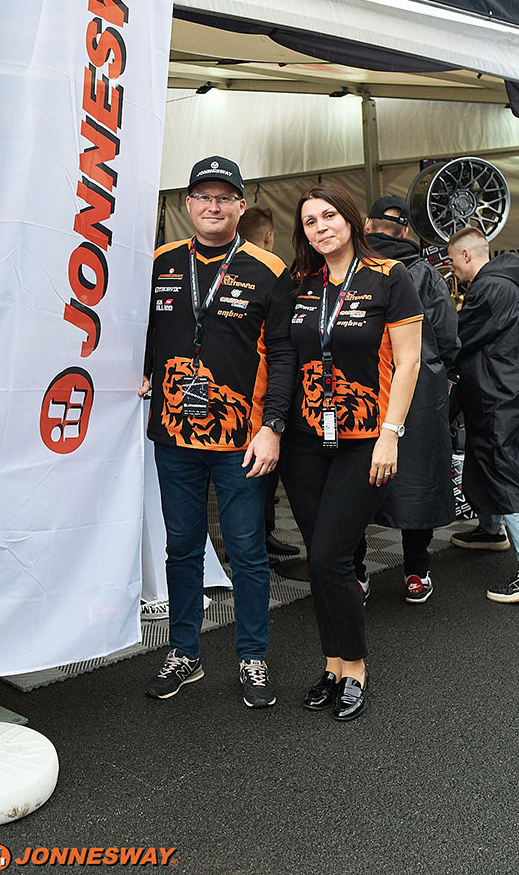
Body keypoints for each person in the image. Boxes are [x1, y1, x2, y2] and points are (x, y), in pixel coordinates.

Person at [140, 156, 295, 708]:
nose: (213, 206)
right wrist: (144, 368)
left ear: (240, 206)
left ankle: (252, 657)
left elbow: (284, 354)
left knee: (248, 552)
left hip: (241, 441)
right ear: (188, 204)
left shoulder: (269, 269)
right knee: (181, 548)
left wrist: (273, 426)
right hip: (173, 437)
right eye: (203, 197)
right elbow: (142, 331)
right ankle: (184, 652)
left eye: (224, 197)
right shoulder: (159, 262)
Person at [277, 183, 422, 720]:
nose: (321, 228)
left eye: (329, 216)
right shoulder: (301, 283)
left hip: (365, 440)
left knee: (333, 556)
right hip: (304, 441)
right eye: (310, 221)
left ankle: (355, 668)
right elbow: (284, 354)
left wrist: (391, 433)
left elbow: (408, 363)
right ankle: (332, 664)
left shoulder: (390, 276)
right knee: (320, 559)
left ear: (351, 218)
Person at [356, 195, 459, 603]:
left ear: (366, 226)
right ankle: (416, 570)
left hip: (361, 389)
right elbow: (448, 336)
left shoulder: (351, 269)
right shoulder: (425, 272)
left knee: (353, 480)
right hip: (418, 390)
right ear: (404, 231)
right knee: (418, 476)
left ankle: (357, 573)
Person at [445, 227, 519, 603]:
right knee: (487, 461)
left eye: (453, 262)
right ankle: (492, 529)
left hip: (504, 398)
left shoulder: (488, 289)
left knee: (505, 470)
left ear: (466, 256)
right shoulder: (511, 289)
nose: (453, 271)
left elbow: (457, 340)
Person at [239, 205, 298, 561]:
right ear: (270, 237)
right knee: (257, 476)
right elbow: (283, 348)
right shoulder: (276, 275)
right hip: (263, 397)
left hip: (249, 400)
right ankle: (257, 538)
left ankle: (262, 534)